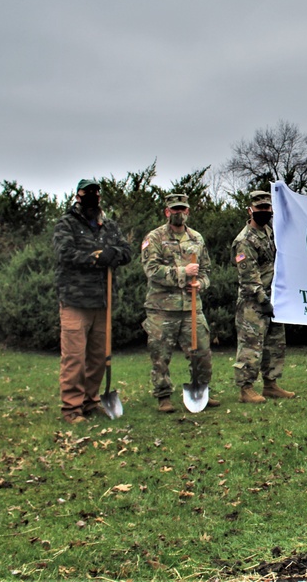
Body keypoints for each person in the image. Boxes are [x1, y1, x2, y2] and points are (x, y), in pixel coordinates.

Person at [52, 178, 132, 424]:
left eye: (96, 193)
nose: (92, 197)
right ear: (77, 195)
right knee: (74, 358)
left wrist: (114, 254)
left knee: (99, 357)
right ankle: (71, 409)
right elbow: (64, 254)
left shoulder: (108, 225)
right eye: (87, 193)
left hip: (102, 300)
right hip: (75, 301)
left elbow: (126, 251)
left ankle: (90, 401)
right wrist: (96, 258)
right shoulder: (66, 224)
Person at [141, 192, 220, 412]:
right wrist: (183, 272)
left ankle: (201, 390)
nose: (178, 213)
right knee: (160, 355)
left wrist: (200, 284)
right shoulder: (154, 238)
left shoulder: (197, 238)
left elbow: (206, 271)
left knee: (202, 352)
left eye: (182, 209)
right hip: (162, 308)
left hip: (192, 307)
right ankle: (163, 397)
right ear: (167, 212)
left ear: (188, 211)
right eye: (174, 209)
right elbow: (151, 270)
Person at [232, 190, 295, 404]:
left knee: (275, 344)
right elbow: (248, 276)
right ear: (250, 211)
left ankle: (271, 384)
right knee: (251, 346)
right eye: (259, 209)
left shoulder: (269, 232)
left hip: (274, 298)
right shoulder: (244, 240)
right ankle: (246, 388)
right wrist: (263, 300)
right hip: (253, 302)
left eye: (267, 208)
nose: (264, 212)